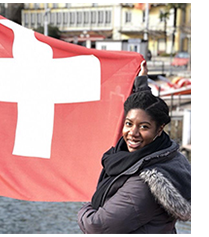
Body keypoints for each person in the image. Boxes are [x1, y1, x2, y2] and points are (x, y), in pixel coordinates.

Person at [77, 61, 191, 234]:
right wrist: (141, 82)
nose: (133, 133)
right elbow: (145, 110)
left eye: (144, 127)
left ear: (159, 129)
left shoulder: (145, 185)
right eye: (128, 124)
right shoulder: (167, 153)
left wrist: (87, 206)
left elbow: (97, 226)